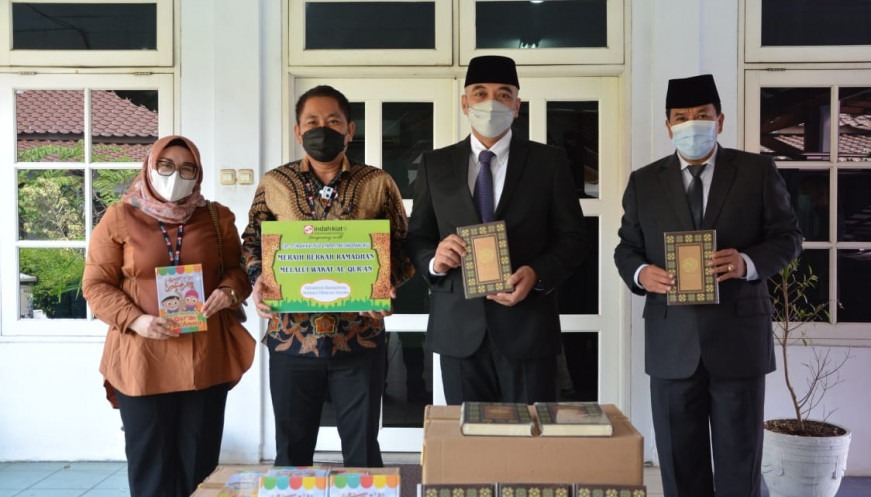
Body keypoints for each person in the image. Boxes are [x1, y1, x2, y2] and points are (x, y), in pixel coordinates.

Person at [614, 74, 801, 497]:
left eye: (702, 115)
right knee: (680, 466)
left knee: (740, 463)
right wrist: (642, 274)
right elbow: (626, 248)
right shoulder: (644, 181)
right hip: (671, 344)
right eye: (681, 117)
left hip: (738, 340)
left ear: (720, 121)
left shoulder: (756, 171)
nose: (691, 124)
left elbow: (788, 238)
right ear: (668, 126)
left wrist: (746, 262)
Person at [241, 85, 414, 467]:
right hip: (291, 339)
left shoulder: (377, 182)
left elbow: (403, 245)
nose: (323, 129)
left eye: (333, 121)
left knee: (362, 451)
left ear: (350, 130)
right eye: (312, 122)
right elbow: (253, 239)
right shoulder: (275, 183)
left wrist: (385, 286)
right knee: (291, 453)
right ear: (298, 131)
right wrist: (258, 279)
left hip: (359, 338)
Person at [406, 55, 588, 405]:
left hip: (528, 326)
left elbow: (574, 238)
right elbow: (418, 236)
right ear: (465, 103)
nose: (491, 103)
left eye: (503, 94)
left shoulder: (548, 162)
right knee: (468, 435)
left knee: (530, 435)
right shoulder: (435, 164)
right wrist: (434, 261)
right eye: (480, 93)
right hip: (459, 328)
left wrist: (537, 273)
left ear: (517, 106)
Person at [82, 135, 255, 497]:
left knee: (199, 467)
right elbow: (95, 285)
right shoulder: (119, 217)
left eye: (187, 169)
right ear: (150, 166)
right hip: (142, 359)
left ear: (198, 174)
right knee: (151, 467)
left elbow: (238, 272)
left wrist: (228, 291)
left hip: (204, 358)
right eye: (166, 166)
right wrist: (135, 320)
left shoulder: (216, 217)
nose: (176, 176)